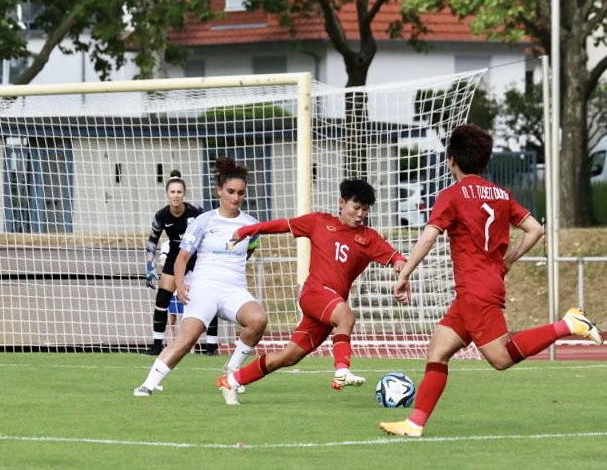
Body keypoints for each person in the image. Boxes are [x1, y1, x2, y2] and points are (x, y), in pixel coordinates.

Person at [379, 124, 604, 437]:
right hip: (482, 286)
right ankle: (414, 424)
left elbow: (429, 237)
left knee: (500, 358)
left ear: (451, 160)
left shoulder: (452, 195)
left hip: (474, 289)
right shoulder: (501, 194)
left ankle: (568, 324)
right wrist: (508, 260)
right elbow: (535, 230)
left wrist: (404, 274)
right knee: (438, 350)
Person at [216, 179, 407, 405]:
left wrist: (402, 272)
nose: (360, 214)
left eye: (365, 209)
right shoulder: (319, 221)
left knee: (289, 356)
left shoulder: (369, 238)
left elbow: (397, 258)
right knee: (346, 317)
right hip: (315, 293)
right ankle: (342, 370)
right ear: (341, 203)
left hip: (330, 305)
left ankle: (232, 380)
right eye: (356, 207)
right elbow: (282, 225)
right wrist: (248, 230)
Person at [134, 157, 268, 397]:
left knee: (258, 319)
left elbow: (249, 250)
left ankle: (232, 370)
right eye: (230, 192)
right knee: (187, 339)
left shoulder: (251, 225)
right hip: (204, 288)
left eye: (240, 193)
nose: (235, 197)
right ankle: (148, 384)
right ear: (219, 191)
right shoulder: (203, 221)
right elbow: (182, 257)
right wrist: (182, 283)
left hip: (234, 290)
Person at [143, 171, 220, 356]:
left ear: (183, 194)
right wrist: (149, 268)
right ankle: (156, 345)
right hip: (175, 258)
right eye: (172, 192)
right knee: (162, 299)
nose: (175, 195)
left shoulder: (196, 212)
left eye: (179, 192)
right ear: (167, 194)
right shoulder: (161, 215)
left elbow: (211, 232)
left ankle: (211, 346)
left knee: (207, 298)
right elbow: (152, 241)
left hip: (195, 258)